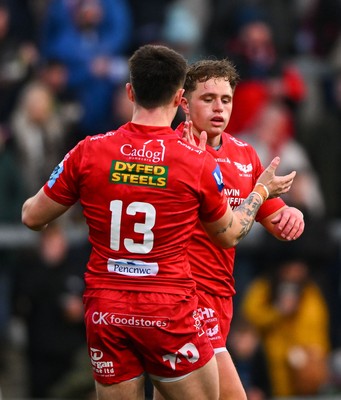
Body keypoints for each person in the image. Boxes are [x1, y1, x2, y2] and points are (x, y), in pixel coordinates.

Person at [21, 44, 296, 400]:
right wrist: (258, 194)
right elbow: (229, 234)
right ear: (180, 97)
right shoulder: (194, 160)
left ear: (130, 91)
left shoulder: (89, 150)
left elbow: (31, 216)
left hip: (106, 309)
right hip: (167, 308)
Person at [154, 58, 304, 400]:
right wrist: (261, 192)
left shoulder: (244, 154)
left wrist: (291, 216)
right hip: (184, 297)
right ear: (184, 103)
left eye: (226, 99)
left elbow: (272, 216)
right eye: (208, 99)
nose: (219, 107)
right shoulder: (171, 152)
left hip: (221, 298)